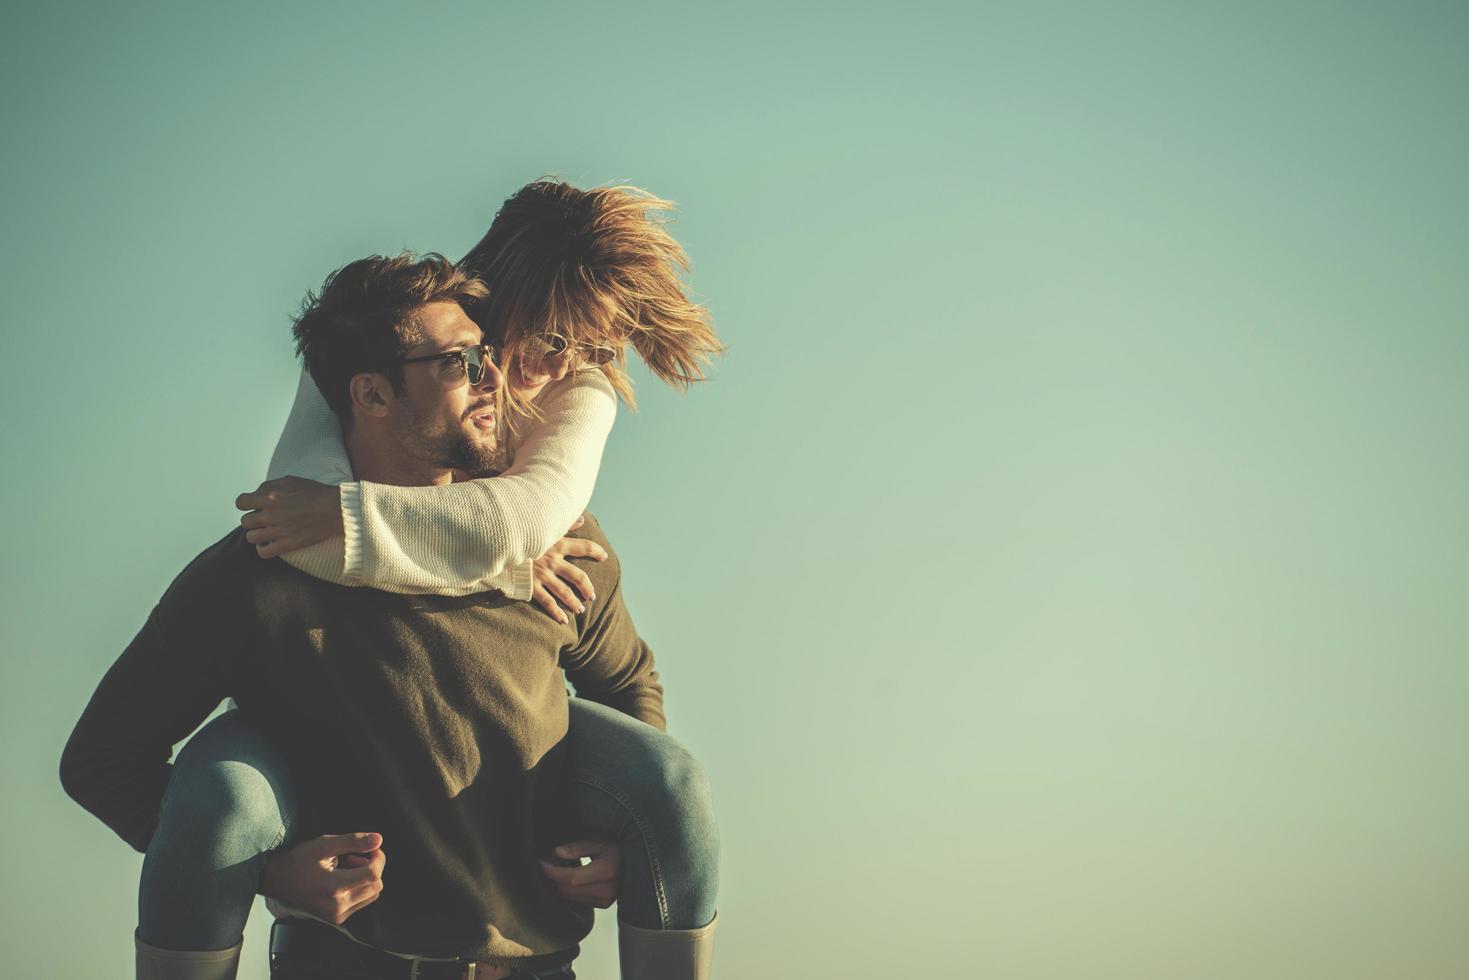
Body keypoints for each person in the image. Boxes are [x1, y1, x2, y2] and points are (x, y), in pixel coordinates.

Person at [61, 253, 713, 980]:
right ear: (371, 394)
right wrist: (268, 872)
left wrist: (611, 843)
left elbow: (627, 691)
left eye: (486, 353)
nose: (491, 377)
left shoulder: (556, 548)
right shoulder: (267, 566)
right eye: (457, 361)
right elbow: (103, 761)